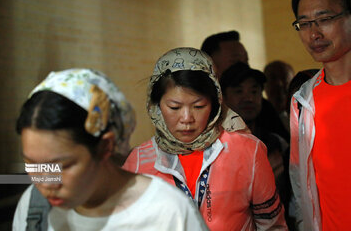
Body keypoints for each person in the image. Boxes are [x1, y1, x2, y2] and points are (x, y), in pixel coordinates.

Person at [12, 68, 208, 230]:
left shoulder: (166, 212)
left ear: (105, 147)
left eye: (61, 166)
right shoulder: (33, 206)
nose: (45, 183)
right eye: (32, 164)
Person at [123, 47, 287, 230]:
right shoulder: (138, 162)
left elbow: (273, 226)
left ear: (216, 103)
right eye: (174, 107)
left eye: (199, 106)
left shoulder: (246, 150)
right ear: (156, 106)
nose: (187, 119)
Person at [289, 0, 351, 230]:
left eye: (324, 19)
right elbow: (300, 184)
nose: (314, 34)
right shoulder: (302, 102)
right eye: (304, 24)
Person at [219, 62, 291, 224]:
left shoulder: (276, 144)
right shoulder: (212, 146)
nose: (249, 98)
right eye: (239, 91)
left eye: (254, 91)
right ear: (222, 97)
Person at [201, 31, 290, 142]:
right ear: (209, 67)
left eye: (246, 61)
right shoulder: (198, 109)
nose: (243, 67)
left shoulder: (263, 108)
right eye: (235, 61)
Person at [264, 61, 295, 132]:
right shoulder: (257, 118)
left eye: (284, 77)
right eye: (273, 78)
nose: (279, 84)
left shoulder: (304, 115)